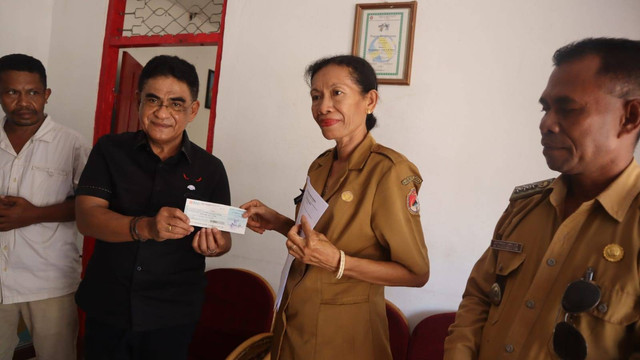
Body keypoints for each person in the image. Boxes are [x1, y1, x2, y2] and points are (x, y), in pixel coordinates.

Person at [444, 37, 640, 359]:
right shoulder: (526, 206)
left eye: (568, 108)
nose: (545, 123)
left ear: (630, 117)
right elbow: (479, 297)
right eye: (546, 108)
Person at [241, 55, 430, 360]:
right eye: (316, 96)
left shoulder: (389, 171)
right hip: (294, 323)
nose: (323, 106)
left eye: (336, 93)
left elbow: (416, 273)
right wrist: (277, 222)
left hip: (345, 336)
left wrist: (339, 262)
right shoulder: (321, 164)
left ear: (369, 100)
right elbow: (318, 240)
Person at [74, 55, 231, 360]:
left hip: (172, 313)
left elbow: (223, 237)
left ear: (193, 110)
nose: (162, 113)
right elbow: (87, 218)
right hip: (109, 304)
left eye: (176, 104)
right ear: (138, 102)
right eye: (153, 100)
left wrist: (216, 245)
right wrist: (145, 227)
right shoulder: (109, 150)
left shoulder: (210, 169)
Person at [0, 53, 90, 360]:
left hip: (49, 281)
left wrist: (32, 214)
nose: (24, 102)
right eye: (12, 92)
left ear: (46, 95)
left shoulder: (73, 144)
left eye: (33, 92)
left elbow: (92, 207)